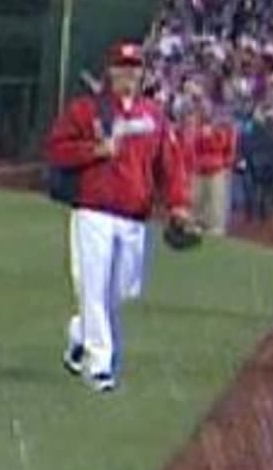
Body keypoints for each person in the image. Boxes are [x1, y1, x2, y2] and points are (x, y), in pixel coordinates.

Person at [45, 40, 193, 393]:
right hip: (93, 211)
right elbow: (57, 150)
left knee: (120, 292)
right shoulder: (86, 111)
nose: (129, 74)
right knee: (93, 287)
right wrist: (94, 150)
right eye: (123, 67)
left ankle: (80, 333)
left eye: (135, 68)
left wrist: (178, 204)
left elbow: (169, 166)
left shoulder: (153, 116)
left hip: (134, 217)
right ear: (110, 71)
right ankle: (100, 364)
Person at [186, 100, 236, 237]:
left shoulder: (223, 128)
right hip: (199, 168)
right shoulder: (197, 127)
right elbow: (192, 146)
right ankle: (195, 222)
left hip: (217, 168)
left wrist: (212, 136)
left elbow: (227, 147)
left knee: (216, 200)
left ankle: (216, 227)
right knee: (195, 197)